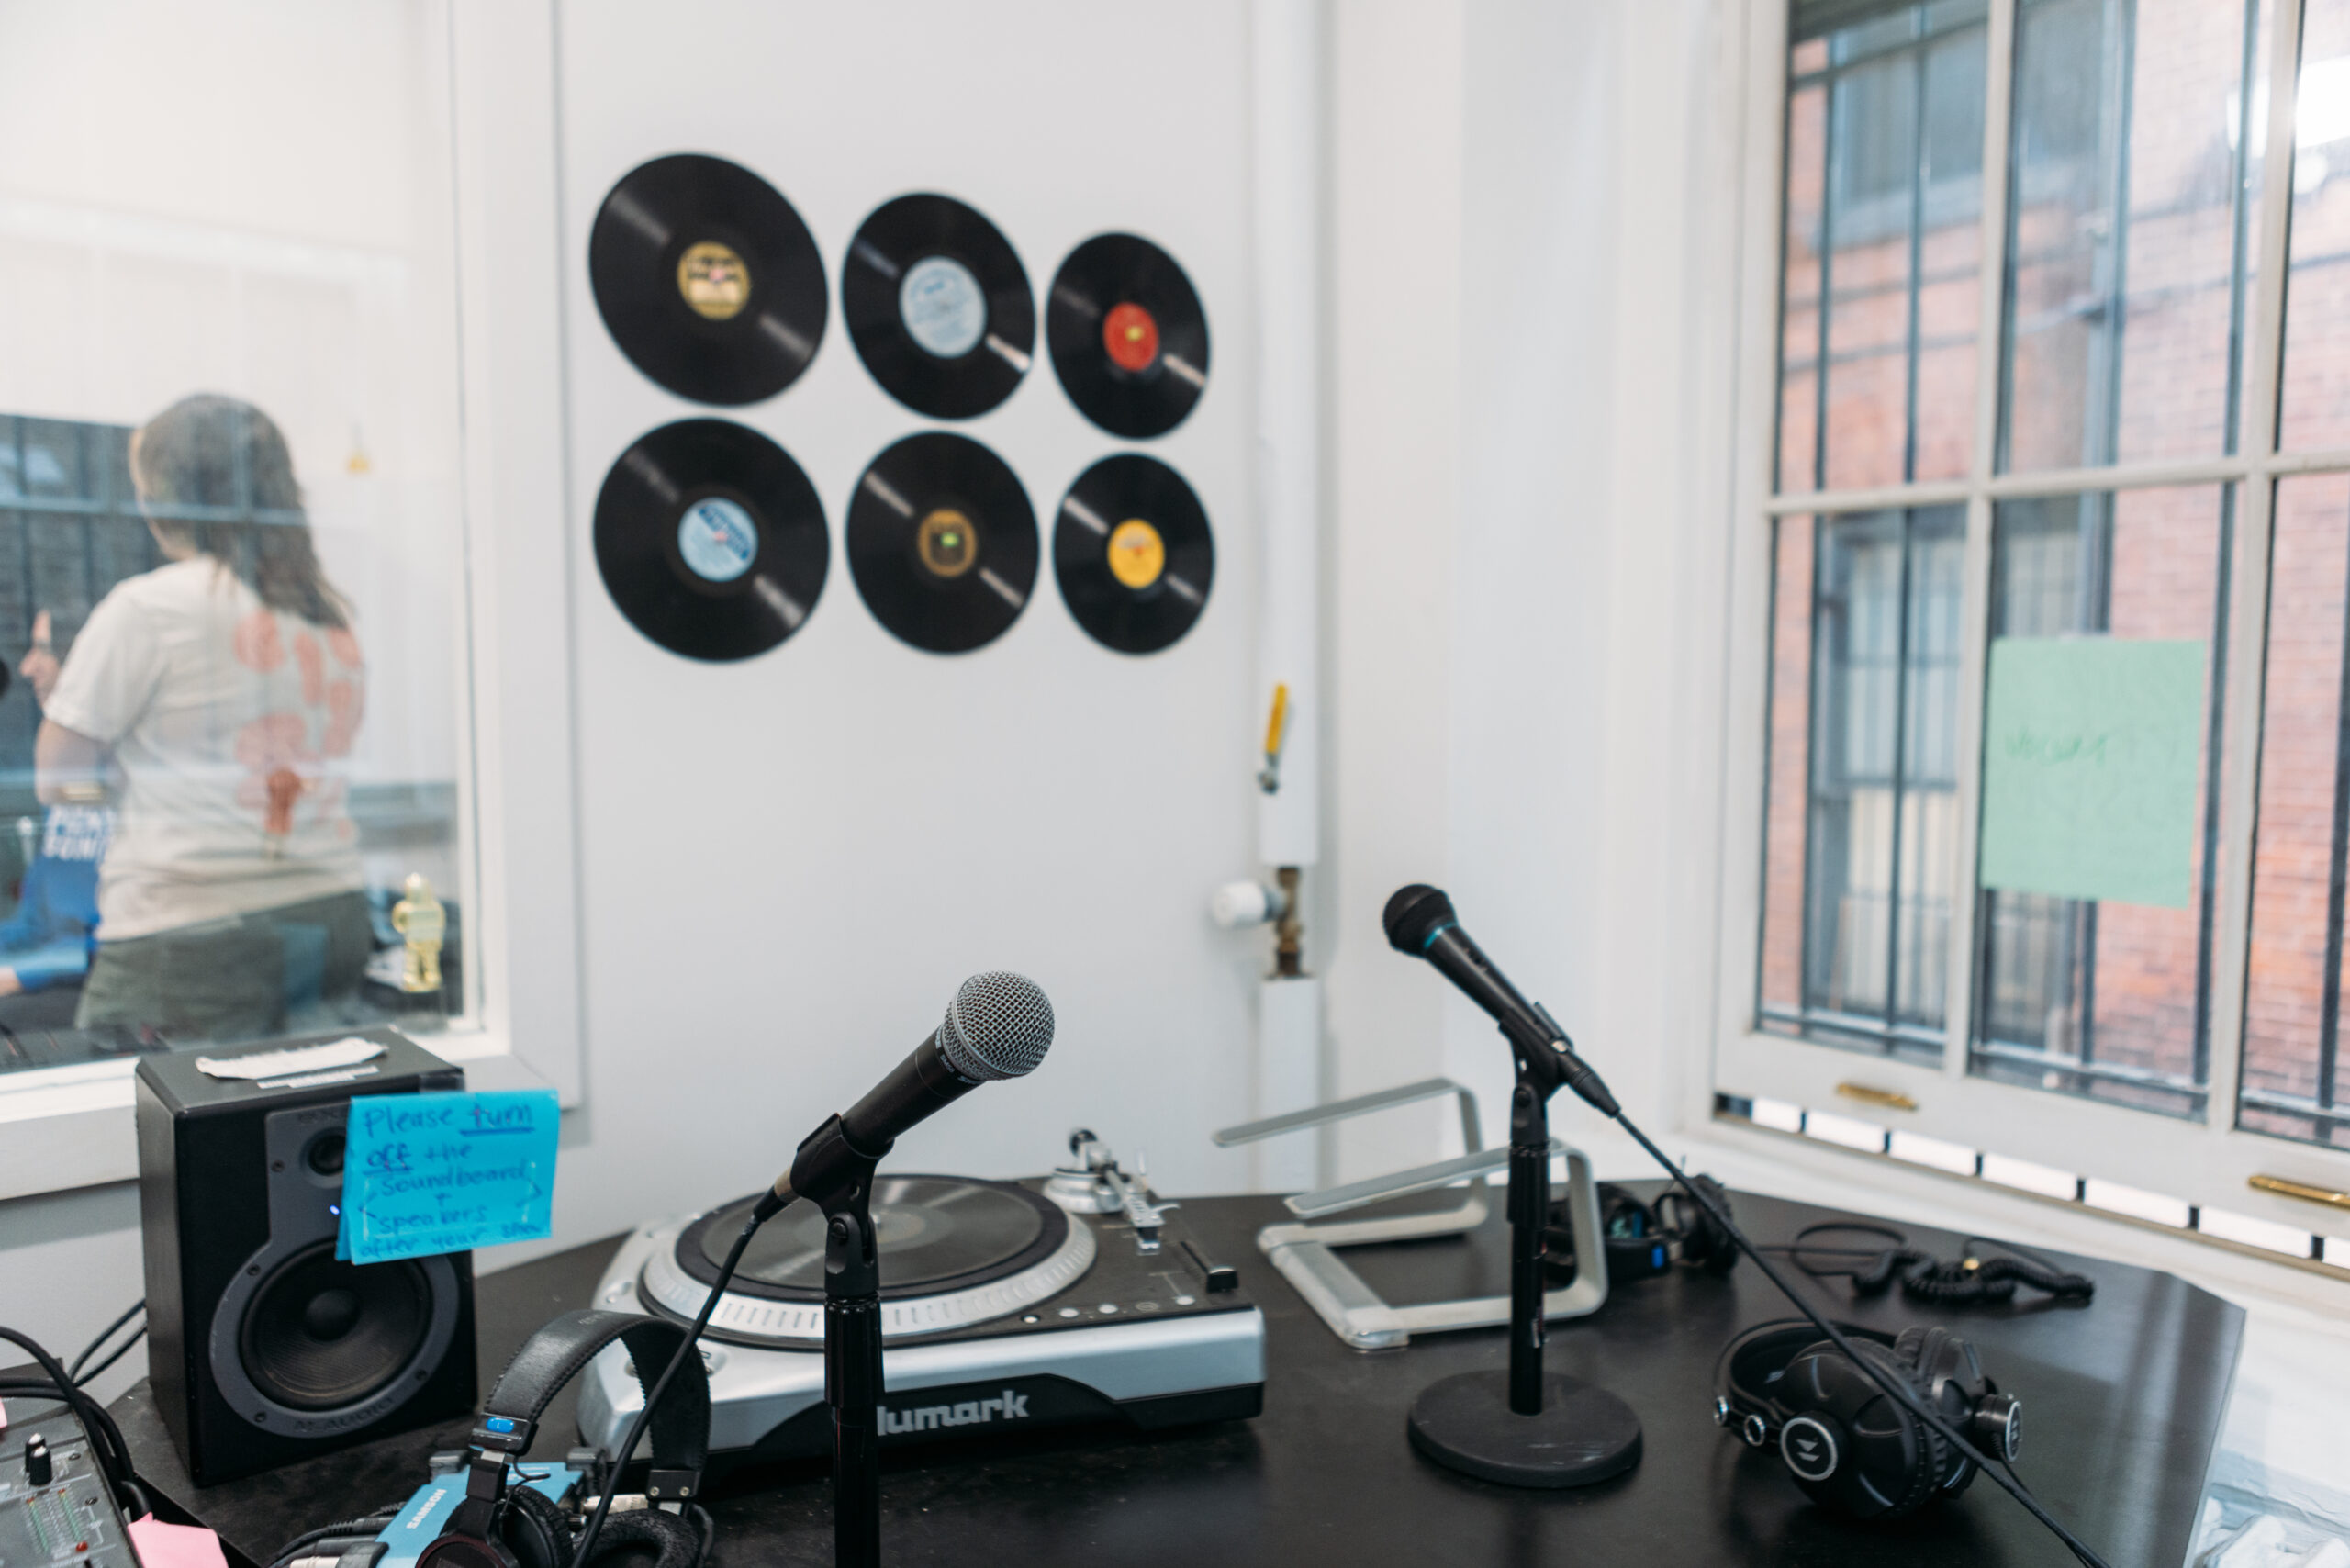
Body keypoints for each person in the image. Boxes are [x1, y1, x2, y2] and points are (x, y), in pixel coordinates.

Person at [19, 393, 371, 1042]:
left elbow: (55, 779)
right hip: (333, 910)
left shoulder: (149, 608)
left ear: (167, 496)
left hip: (192, 927)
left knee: (121, 1098)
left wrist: (120, 782)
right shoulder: (327, 613)